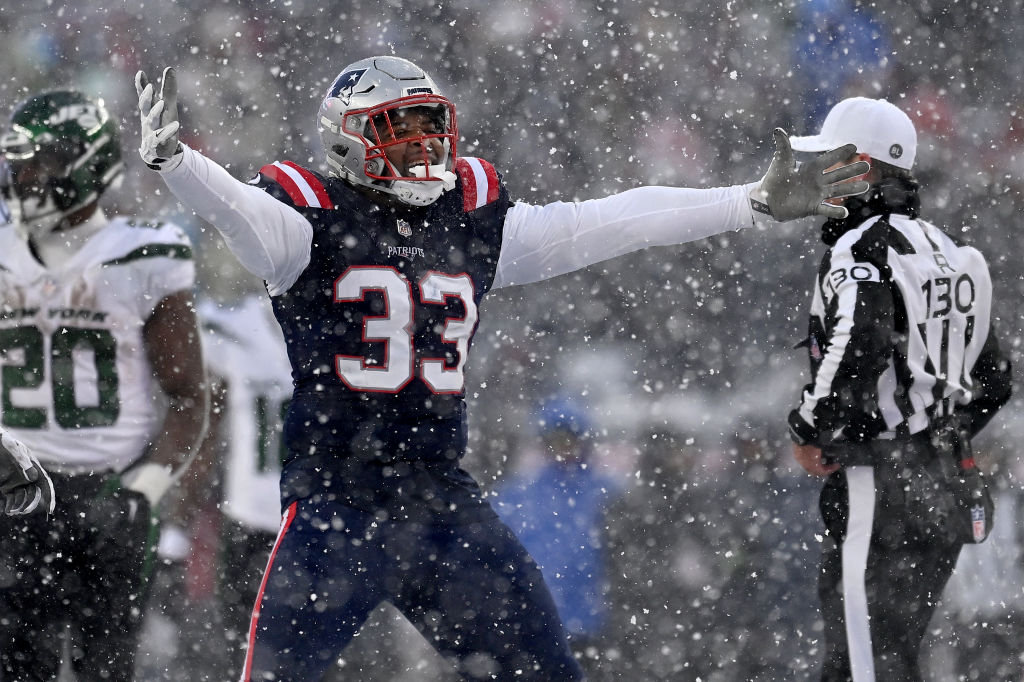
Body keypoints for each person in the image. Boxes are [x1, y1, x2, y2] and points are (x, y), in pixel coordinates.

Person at [134, 57, 869, 681]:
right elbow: (236, 209)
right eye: (402, 130)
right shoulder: (304, 225)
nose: (424, 146)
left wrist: (746, 202)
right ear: (350, 141)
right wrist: (178, 162)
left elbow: (612, 221)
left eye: (431, 127)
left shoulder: (472, 220)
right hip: (336, 506)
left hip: (439, 503)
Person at [785, 96, 1013, 681]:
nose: (815, 181)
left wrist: (811, 427)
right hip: (944, 484)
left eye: (826, 164)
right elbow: (995, 379)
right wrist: (940, 435)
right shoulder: (953, 252)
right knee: (885, 657)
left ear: (859, 167)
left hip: (878, 484)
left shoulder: (861, 247)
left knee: (862, 665)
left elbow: (856, 345)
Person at [0, 90, 209, 681]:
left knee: (106, 671)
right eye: (17, 163)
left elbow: (191, 395)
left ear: (80, 164)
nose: (21, 178)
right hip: (12, 494)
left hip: (106, 493)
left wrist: (143, 487)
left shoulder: (142, 251)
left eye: (37, 163)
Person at [494, 397, 621, 673]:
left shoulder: (607, 492)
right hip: (536, 625)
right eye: (556, 439)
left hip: (593, 622)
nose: (565, 448)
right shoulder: (518, 495)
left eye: (571, 438)